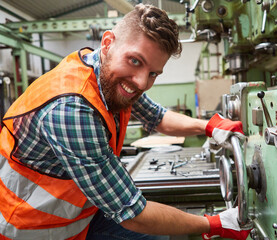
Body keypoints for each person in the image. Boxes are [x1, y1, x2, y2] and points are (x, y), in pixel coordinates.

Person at [0, 4, 250, 240]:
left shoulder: (103, 71)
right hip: (32, 228)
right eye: (135, 61)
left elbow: (158, 117)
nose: (142, 82)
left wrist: (209, 126)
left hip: (79, 215)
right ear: (107, 43)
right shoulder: (71, 108)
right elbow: (131, 213)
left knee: (155, 233)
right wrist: (214, 224)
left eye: (153, 73)